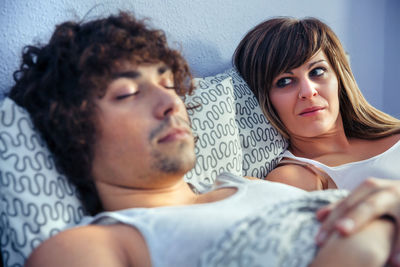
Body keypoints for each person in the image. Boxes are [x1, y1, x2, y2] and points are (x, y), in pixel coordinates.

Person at [8, 12, 394, 267]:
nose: (170, 103)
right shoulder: (93, 246)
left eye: (169, 84)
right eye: (127, 93)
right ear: (74, 131)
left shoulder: (252, 185)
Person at [233, 16, 400, 265]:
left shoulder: (392, 133)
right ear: (265, 99)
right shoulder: (296, 176)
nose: (308, 91)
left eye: (317, 71)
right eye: (285, 81)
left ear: (339, 78)